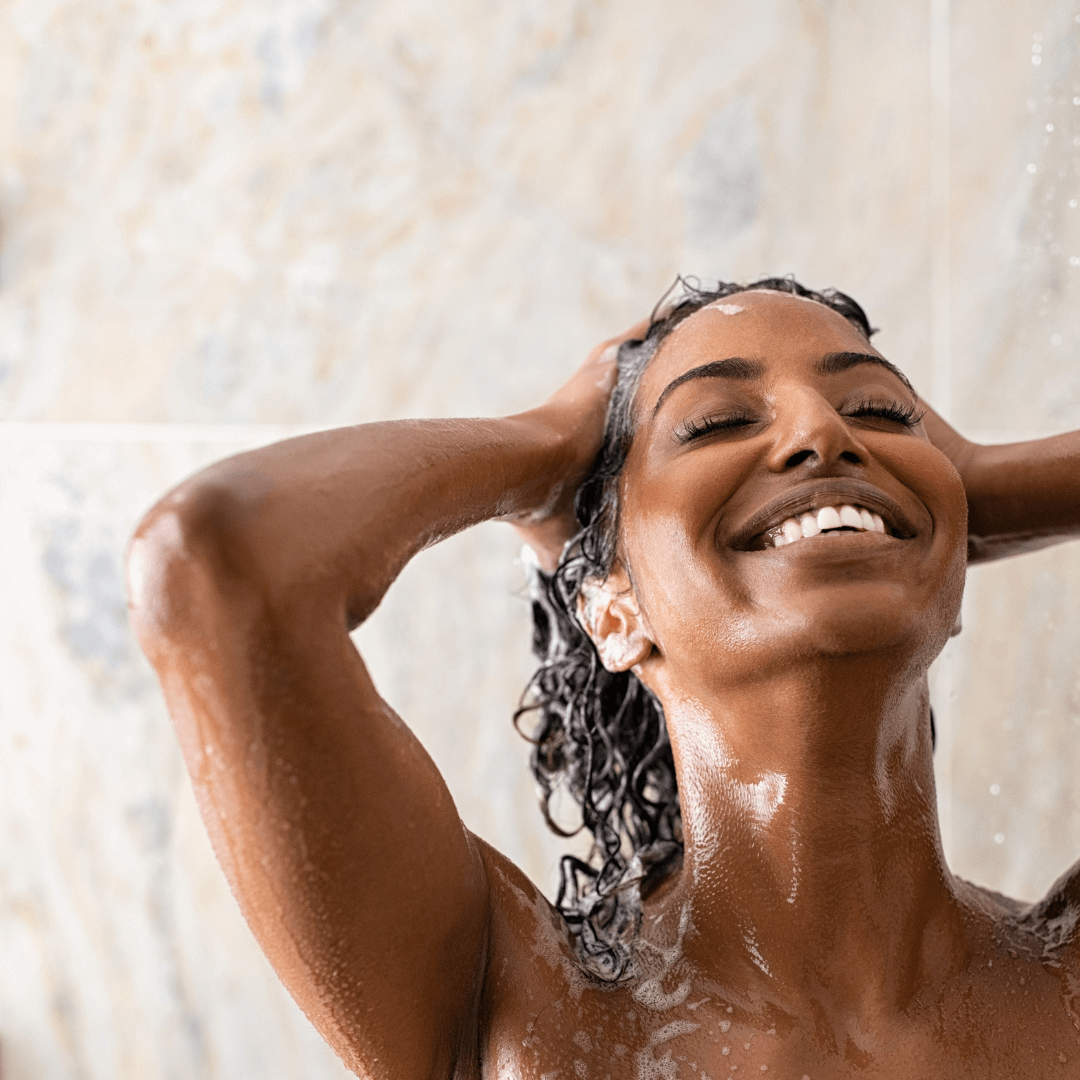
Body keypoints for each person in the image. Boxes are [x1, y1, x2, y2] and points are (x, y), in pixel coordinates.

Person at [127, 277, 1080, 1079]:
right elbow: (214, 565)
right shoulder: (520, 1011)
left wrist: (962, 491)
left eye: (877, 411)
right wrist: (546, 448)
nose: (823, 434)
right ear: (613, 609)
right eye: (713, 424)